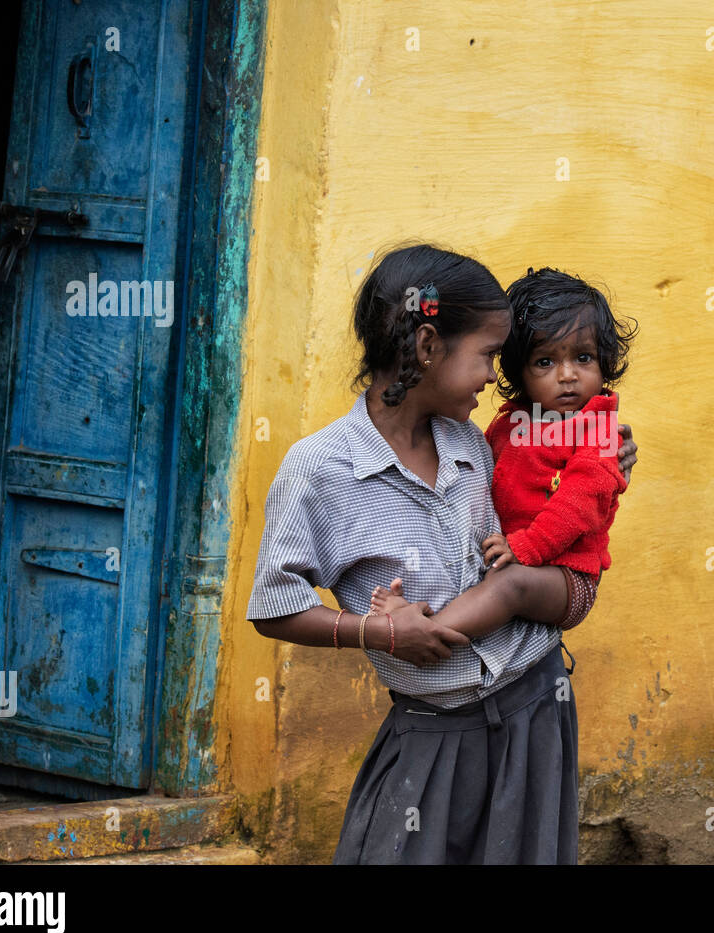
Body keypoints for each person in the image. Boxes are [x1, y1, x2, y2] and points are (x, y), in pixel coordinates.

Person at [245, 243, 638, 864]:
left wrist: (608, 452)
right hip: (432, 733)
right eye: (486, 355)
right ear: (428, 347)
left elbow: (557, 490)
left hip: (535, 710)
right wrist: (373, 631)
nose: (494, 374)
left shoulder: (475, 446)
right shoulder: (318, 471)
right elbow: (274, 608)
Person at [368, 266, 637, 637]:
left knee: (508, 585)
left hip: (568, 572)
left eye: (584, 358)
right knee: (484, 579)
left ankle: (420, 632)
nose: (567, 375)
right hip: (518, 555)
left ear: (605, 361)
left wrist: (526, 546)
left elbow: (579, 503)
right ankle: (418, 612)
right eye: (545, 362)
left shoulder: (599, 430)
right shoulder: (511, 423)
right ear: (518, 371)